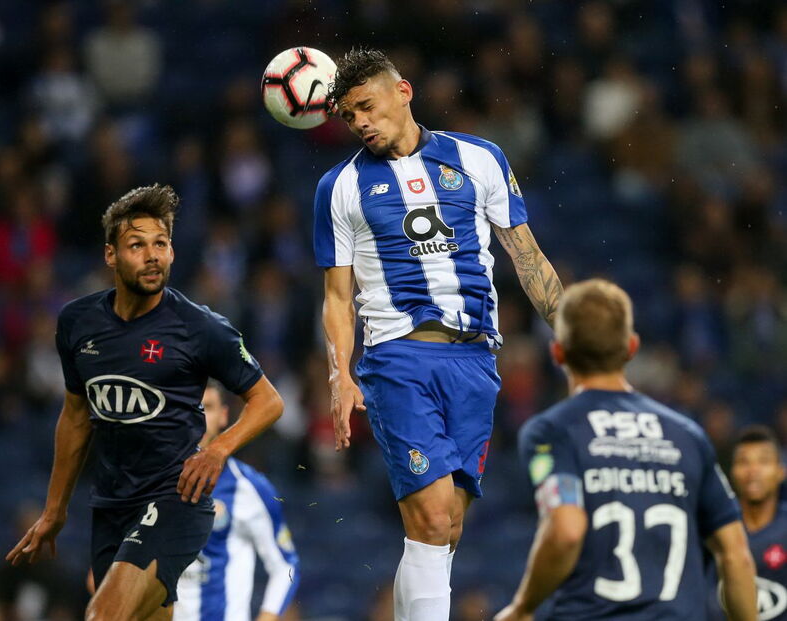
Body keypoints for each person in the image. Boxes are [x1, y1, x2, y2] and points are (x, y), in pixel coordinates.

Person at [314, 48, 564, 619]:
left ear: (403, 92)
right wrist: (339, 375)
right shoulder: (340, 186)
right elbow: (337, 297)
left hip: (475, 361)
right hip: (398, 359)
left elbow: (527, 257)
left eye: (367, 107)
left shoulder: (480, 158)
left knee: (445, 527)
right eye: (349, 116)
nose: (360, 124)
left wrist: (574, 338)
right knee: (429, 518)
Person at [5, 184, 284, 621]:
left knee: (103, 616)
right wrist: (55, 510)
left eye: (161, 244)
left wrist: (217, 450)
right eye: (137, 245)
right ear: (110, 255)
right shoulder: (77, 322)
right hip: (111, 505)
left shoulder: (200, 327)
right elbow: (76, 417)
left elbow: (268, 401)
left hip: (175, 499)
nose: (152, 256)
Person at [495, 279, 757, 621]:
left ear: (558, 353)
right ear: (631, 347)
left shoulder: (552, 431)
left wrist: (524, 606)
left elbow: (566, 531)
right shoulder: (687, 436)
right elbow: (736, 555)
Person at [174, 382, 300, 620]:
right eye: (191, 408)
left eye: (207, 408)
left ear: (223, 416)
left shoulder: (249, 487)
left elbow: (285, 566)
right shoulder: (150, 483)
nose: (199, 417)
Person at [710, 426, 787, 620]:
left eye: (764, 461)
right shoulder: (711, 529)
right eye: (743, 462)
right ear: (732, 471)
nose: (753, 471)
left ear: (781, 471)